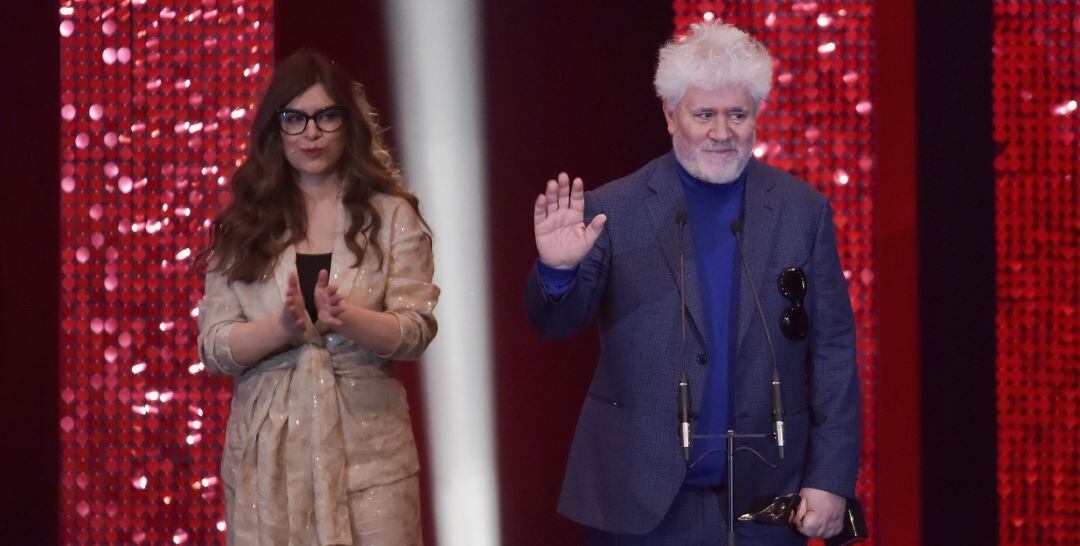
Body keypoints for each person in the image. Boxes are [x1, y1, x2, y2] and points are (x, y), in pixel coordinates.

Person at [524, 22, 860, 545]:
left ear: (756, 115)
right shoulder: (614, 208)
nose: (721, 133)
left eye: (737, 115)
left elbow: (834, 351)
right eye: (704, 114)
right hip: (641, 501)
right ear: (669, 114)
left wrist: (830, 479)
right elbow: (556, 324)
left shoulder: (802, 211)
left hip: (765, 503)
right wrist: (558, 270)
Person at [197, 49, 437, 545]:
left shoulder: (391, 216)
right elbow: (215, 348)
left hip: (370, 454)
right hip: (267, 457)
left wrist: (348, 318)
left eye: (326, 116)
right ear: (275, 128)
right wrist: (281, 329)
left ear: (348, 124)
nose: (311, 133)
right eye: (295, 118)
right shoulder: (242, 225)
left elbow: (415, 329)